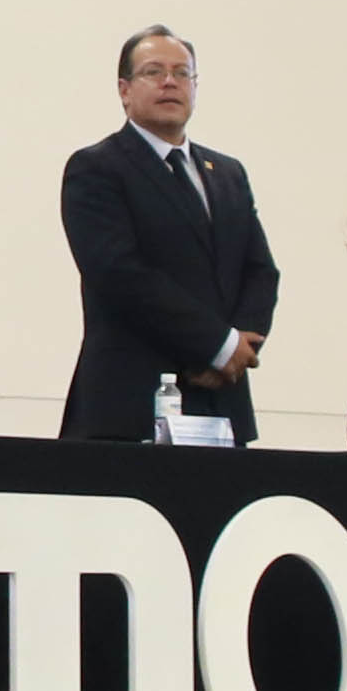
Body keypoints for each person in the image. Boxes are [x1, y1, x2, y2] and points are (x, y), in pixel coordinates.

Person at [59, 27, 274, 443]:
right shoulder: (97, 168)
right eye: (153, 72)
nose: (170, 82)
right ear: (124, 90)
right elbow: (119, 274)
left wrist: (237, 348)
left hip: (220, 401)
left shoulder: (227, 174)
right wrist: (216, 345)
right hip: (130, 401)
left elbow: (260, 270)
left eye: (182, 73)